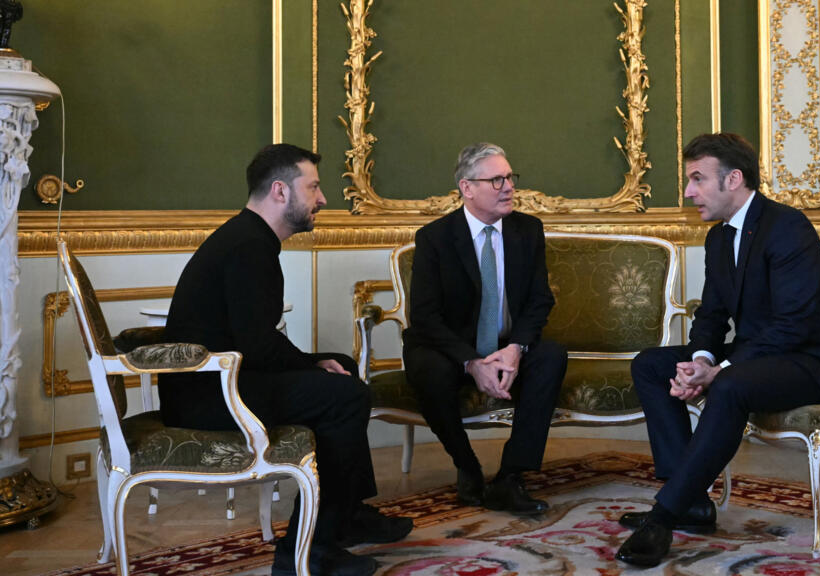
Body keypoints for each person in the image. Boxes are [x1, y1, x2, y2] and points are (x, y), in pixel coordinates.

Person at [615, 133, 820, 567]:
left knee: (730, 385)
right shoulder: (718, 238)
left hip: (817, 360)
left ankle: (663, 516)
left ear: (733, 179)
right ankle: (690, 501)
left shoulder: (787, 226)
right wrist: (699, 362)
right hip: (761, 356)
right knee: (651, 365)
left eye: (697, 178)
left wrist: (722, 369)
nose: (688, 191)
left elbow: (793, 324)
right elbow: (711, 317)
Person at [160, 144, 411, 576]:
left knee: (342, 370)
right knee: (346, 395)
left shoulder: (248, 238)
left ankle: (347, 513)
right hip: (209, 394)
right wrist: (311, 366)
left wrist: (317, 362)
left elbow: (253, 342)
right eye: (312, 187)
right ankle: (308, 551)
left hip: (220, 380)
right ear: (280, 191)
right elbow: (257, 345)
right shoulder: (249, 247)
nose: (322, 198)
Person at [402, 142, 567, 515]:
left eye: (510, 177)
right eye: (496, 180)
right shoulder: (435, 237)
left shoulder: (528, 230)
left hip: (508, 344)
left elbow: (540, 300)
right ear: (467, 188)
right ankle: (467, 466)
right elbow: (425, 316)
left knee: (551, 356)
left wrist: (516, 349)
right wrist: (472, 362)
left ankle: (511, 476)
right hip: (449, 347)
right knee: (427, 369)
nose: (509, 186)